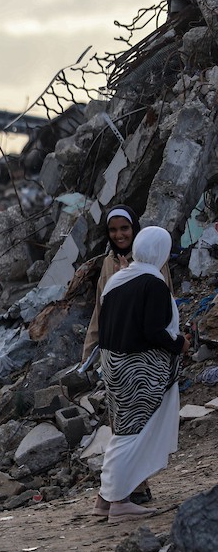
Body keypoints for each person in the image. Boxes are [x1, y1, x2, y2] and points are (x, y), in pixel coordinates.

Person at [94, 226, 188, 523]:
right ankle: (119, 502)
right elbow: (152, 329)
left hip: (113, 365)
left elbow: (105, 326)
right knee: (131, 435)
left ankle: (104, 500)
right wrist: (179, 343)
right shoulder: (153, 284)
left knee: (123, 433)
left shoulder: (117, 280)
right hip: (140, 370)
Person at [82, 206, 166, 504]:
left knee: (142, 422)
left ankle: (132, 487)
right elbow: (100, 309)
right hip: (116, 352)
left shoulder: (154, 256)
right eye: (114, 230)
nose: (119, 235)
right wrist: (90, 349)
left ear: (135, 229)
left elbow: (162, 301)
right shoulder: (108, 264)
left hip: (146, 353)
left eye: (125, 229)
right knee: (123, 423)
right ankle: (129, 490)